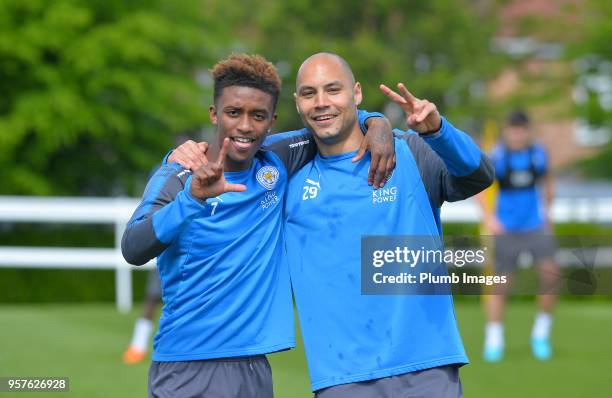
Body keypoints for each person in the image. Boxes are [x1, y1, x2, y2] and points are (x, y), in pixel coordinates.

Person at [121, 53, 393, 398]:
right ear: (214, 113)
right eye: (234, 113)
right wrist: (191, 199)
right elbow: (133, 247)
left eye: (258, 116)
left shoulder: (278, 158)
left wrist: (378, 122)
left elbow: (334, 122)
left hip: (254, 368)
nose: (246, 126)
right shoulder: (178, 175)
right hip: (188, 366)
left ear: (272, 121)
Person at [283, 53, 493, 397]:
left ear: (357, 93)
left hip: (429, 367)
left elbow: (478, 176)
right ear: (297, 103)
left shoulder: (410, 152)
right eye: (309, 93)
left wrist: (439, 131)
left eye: (333, 90)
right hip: (342, 378)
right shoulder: (287, 181)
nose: (321, 102)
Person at [478, 109, 559, 362]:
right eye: (512, 129)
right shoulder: (498, 156)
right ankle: (494, 338)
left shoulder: (538, 154)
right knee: (501, 285)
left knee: (551, 275)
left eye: (521, 129)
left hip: (535, 226)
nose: (517, 134)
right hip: (507, 229)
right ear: (506, 131)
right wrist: (490, 218)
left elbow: (547, 184)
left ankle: (541, 334)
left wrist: (547, 213)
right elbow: (480, 188)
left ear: (527, 130)